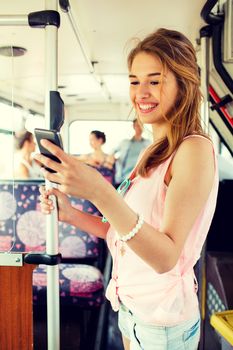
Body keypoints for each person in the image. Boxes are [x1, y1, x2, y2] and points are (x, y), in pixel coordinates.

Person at [35, 28, 219, 350]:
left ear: (184, 84)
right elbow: (123, 231)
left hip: (161, 322)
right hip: (131, 308)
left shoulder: (193, 150)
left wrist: (98, 191)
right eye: (134, 81)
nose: (141, 93)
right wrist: (72, 214)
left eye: (155, 80)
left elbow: (165, 257)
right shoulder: (154, 149)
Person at [112, 118, 151, 187]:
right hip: (123, 178)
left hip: (140, 178)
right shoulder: (125, 142)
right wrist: (113, 159)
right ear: (133, 127)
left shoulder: (148, 143)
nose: (139, 127)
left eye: (141, 125)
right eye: (137, 125)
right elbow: (111, 153)